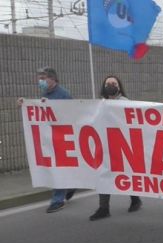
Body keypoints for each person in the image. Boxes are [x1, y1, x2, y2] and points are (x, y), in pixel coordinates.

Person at [18, 67, 75, 213]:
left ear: (53, 79)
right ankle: (71, 185)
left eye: (43, 78)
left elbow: (72, 114)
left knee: (58, 167)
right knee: (59, 167)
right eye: (39, 78)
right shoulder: (45, 93)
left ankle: (57, 200)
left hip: (63, 138)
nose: (40, 81)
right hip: (51, 138)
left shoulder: (63, 95)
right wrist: (24, 104)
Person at [88, 75, 143, 221]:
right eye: (108, 83)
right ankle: (103, 208)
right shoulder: (100, 104)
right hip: (105, 147)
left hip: (123, 146)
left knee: (127, 174)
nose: (111, 85)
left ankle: (135, 199)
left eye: (114, 83)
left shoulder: (126, 103)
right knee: (103, 175)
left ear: (119, 86)